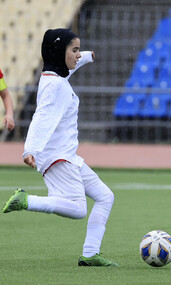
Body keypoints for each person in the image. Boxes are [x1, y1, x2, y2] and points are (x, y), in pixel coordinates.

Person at [2, 28, 118, 267]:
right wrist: (30, 149)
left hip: (66, 155)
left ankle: (89, 254)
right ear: (58, 52)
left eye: (78, 50)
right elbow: (42, 118)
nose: (77, 55)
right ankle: (27, 200)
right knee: (78, 209)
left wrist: (88, 56)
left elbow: (70, 65)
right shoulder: (56, 88)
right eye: (74, 50)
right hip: (56, 158)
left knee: (105, 196)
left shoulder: (54, 74)